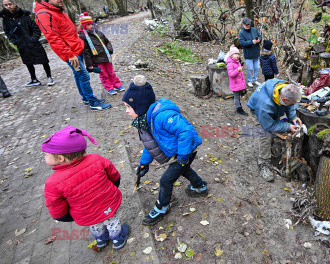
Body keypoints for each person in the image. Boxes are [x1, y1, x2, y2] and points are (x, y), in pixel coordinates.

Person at [123, 75, 208, 226]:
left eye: (129, 107)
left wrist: (183, 154)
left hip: (187, 149)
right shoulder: (147, 120)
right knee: (183, 170)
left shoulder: (162, 116)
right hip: (180, 150)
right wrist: (144, 163)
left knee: (166, 180)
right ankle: (200, 186)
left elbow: (185, 132)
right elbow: (151, 144)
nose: (127, 111)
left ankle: (162, 206)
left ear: (140, 106)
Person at [42, 126, 129, 250]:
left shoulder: (52, 182)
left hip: (85, 212)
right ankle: (117, 239)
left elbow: (55, 204)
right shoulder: (96, 159)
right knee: (112, 220)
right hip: (107, 203)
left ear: (61, 158)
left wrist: (63, 216)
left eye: (45, 154)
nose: (44, 156)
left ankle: (101, 240)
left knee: (95, 224)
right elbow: (114, 175)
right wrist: (113, 187)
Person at [35, 0, 111, 111]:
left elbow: (63, 31)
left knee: (78, 75)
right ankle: (93, 102)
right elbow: (53, 37)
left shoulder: (57, 10)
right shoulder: (44, 14)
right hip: (71, 54)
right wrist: (69, 55)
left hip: (76, 49)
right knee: (84, 75)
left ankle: (86, 98)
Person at [247, 79, 303, 182]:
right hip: (258, 109)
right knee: (266, 133)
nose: (293, 104)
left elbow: (290, 105)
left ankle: (273, 150)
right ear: (284, 99)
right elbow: (269, 125)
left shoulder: (284, 86)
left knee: (276, 124)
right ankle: (263, 163)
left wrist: (293, 117)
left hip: (273, 105)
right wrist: (288, 127)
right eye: (292, 102)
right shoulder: (264, 105)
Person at [1, 0, 54, 87]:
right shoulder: (5, 19)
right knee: (28, 61)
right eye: (6, 5)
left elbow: (35, 28)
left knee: (43, 60)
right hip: (21, 44)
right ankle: (33, 79)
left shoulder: (25, 15)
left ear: (14, 4)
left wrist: (33, 38)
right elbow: (7, 32)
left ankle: (49, 77)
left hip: (33, 42)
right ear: (3, 6)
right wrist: (15, 41)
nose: (8, 6)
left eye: (10, 4)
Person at [78, 12, 125, 95]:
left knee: (111, 72)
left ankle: (117, 84)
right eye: (88, 25)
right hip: (96, 59)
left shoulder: (99, 33)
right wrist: (89, 64)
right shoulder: (83, 37)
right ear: (84, 26)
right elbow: (86, 52)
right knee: (104, 74)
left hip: (106, 56)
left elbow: (107, 42)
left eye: (92, 24)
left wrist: (109, 49)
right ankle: (109, 87)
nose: (91, 26)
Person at [238, 17, 262, 88]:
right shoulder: (241, 33)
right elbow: (242, 43)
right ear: (243, 24)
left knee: (257, 68)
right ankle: (249, 81)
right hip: (248, 54)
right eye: (246, 25)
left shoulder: (254, 30)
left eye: (249, 24)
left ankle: (255, 80)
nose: (248, 26)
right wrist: (251, 42)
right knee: (250, 68)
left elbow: (259, 36)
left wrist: (259, 40)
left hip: (256, 52)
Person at [226, 45, 247, 116]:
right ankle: (239, 109)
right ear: (231, 55)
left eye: (238, 54)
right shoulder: (230, 64)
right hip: (235, 84)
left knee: (238, 96)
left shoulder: (237, 62)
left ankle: (239, 106)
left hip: (239, 83)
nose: (237, 55)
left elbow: (240, 75)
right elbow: (231, 74)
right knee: (236, 96)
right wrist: (237, 70)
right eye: (235, 54)